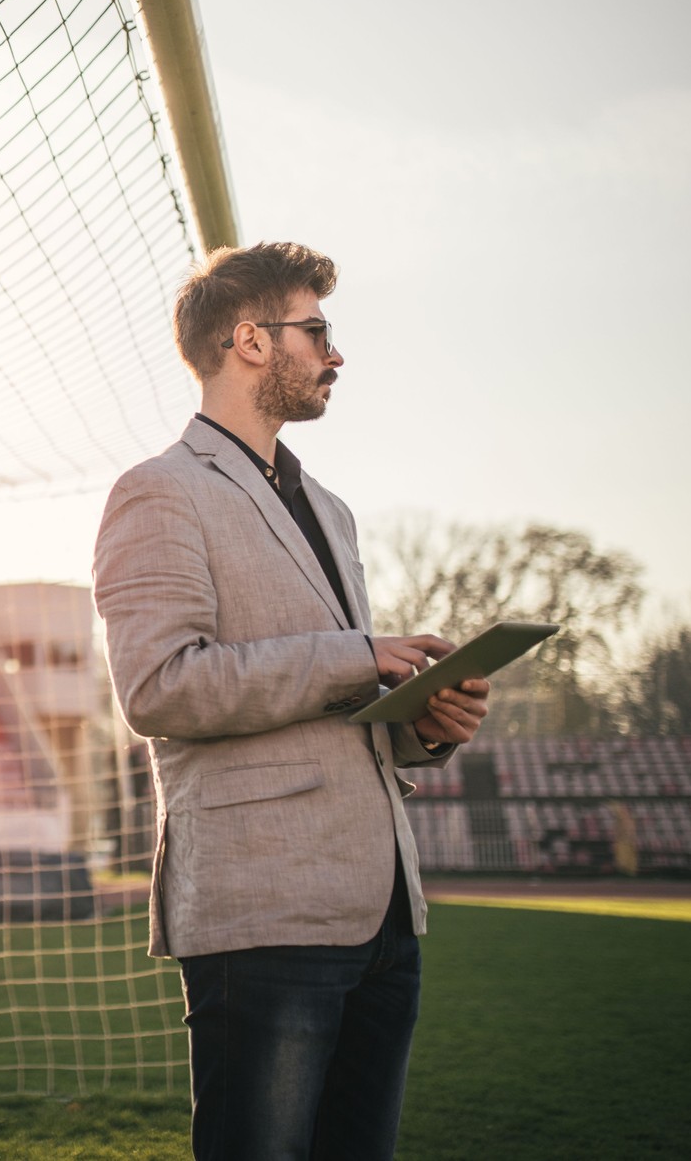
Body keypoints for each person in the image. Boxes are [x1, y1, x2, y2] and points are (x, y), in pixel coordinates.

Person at [92, 241, 489, 1160]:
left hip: (384, 911)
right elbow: (159, 687)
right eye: (317, 331)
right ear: (250, 341)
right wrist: (359, 656)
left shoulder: (333, 508)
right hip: (260, 908)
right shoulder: (159, 492)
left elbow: (339, 700)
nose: (335, 354)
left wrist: (424, 723)